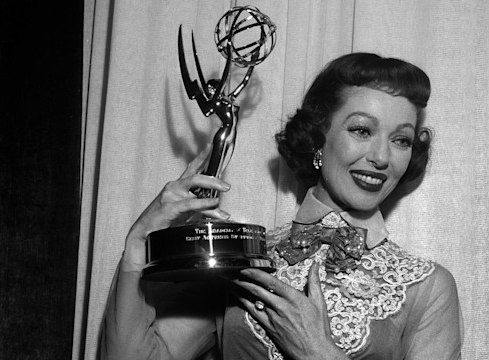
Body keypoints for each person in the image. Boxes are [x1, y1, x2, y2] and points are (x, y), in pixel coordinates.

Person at [100, 52, 463, 360]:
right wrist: (138, 248)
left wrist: (317, 352)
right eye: (362, 131)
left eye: (401, 139)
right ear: (318, 138)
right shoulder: (240, 259)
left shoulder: (426, 287)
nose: (382, 157)